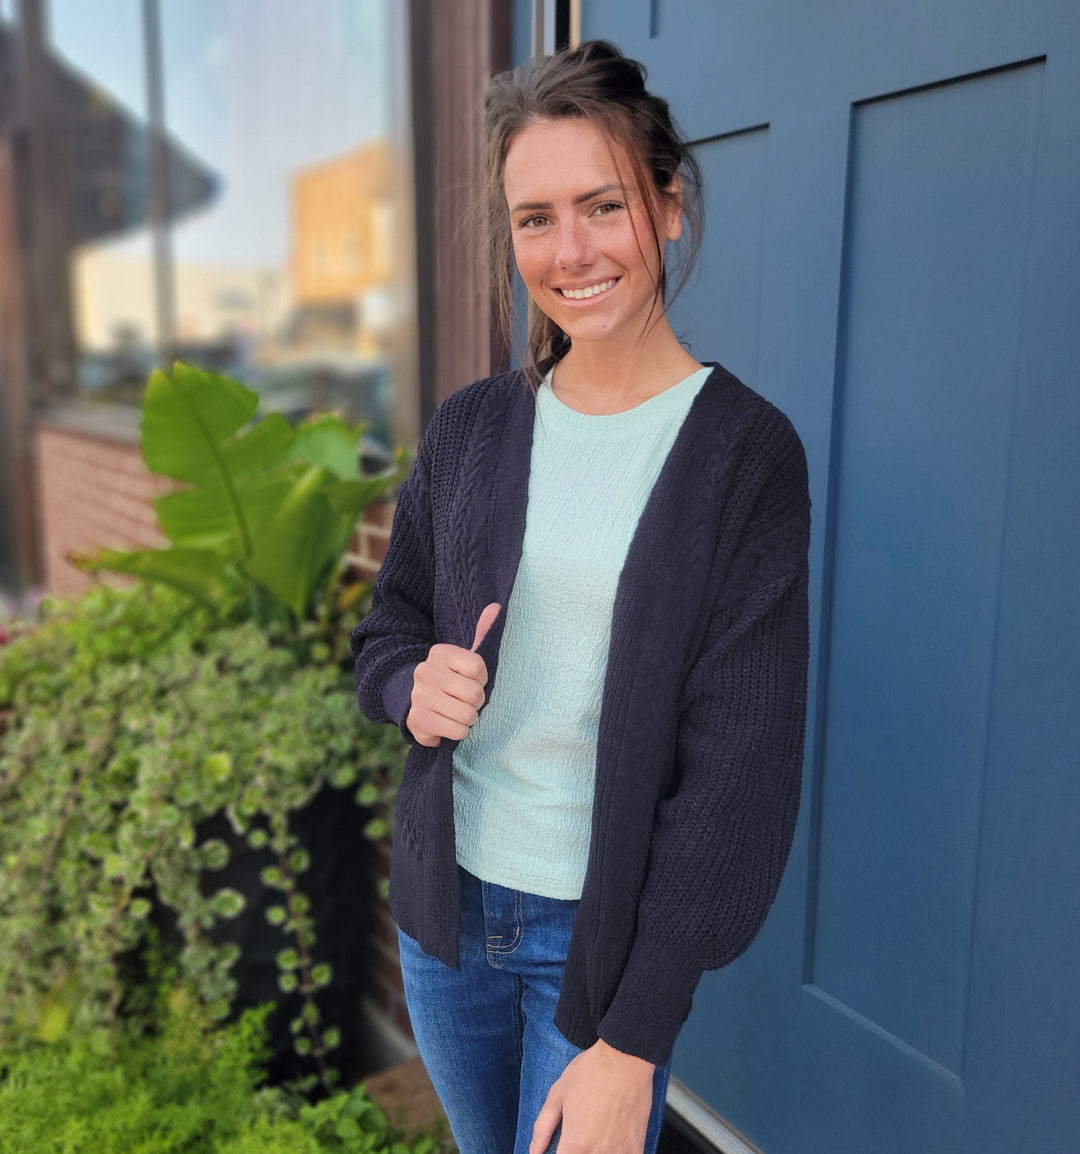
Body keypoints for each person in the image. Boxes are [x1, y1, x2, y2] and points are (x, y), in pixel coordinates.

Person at [351, 40, 810, 1154]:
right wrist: (414, 686)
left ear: (669, 207)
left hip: (594, 951)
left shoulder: (743, 456)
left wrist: (636, 1038)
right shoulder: (470, 429)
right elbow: (384, 632)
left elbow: (736, 786)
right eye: (535, 217)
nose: (570, 251)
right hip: (443, 915)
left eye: (603, 205)